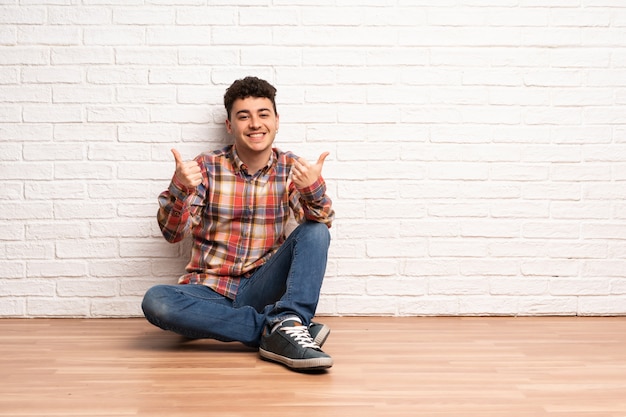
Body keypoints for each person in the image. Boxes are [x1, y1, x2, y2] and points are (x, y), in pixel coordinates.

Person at [141, 76, 335, 372]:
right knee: (157, 302)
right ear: (230, 125)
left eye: (263, 114)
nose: (254, 124)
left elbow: (321, 225)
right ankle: (283, 326)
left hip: (262, 287)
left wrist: (312, 189)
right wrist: (180, 188)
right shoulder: (206, 166)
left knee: (315, 230)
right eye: (243, 116)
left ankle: (286, 320)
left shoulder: (291, 168)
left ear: (277, 121)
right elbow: (172, 234)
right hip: (208, 290)